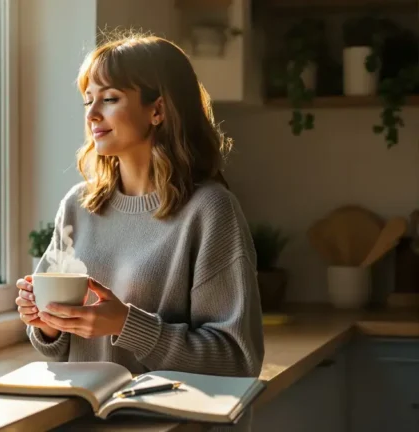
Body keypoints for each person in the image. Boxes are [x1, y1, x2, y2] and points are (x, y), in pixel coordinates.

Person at [15, 34, 264, 430]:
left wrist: (125, 324)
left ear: (158, 110)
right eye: (88, 100)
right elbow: (58, 346)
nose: (92, 114)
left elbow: (237, 360)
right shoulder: (78, 206)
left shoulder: (210, 211)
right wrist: (45, 323)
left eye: (109, 99)